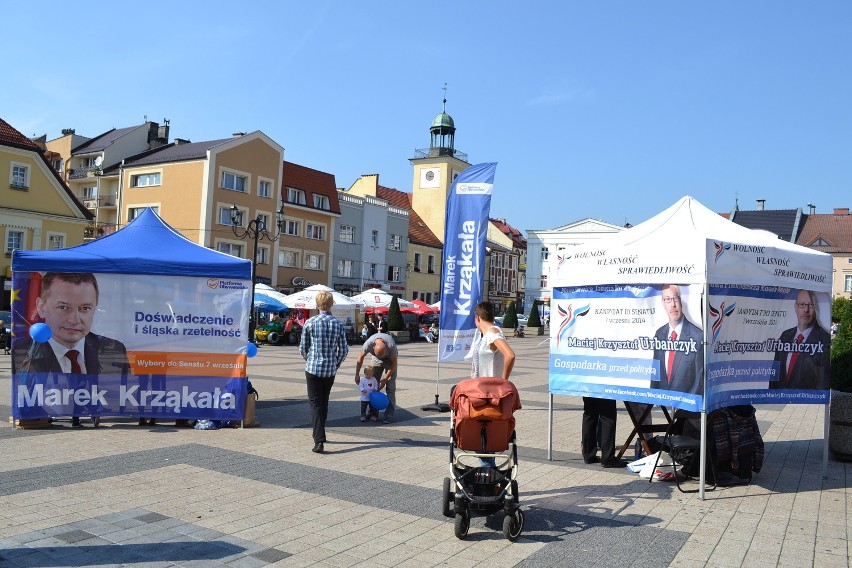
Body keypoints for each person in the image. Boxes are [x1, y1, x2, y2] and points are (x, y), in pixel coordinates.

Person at [13, 272, 129, 427]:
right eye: (63, 307)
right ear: (41, 307)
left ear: (95, 307)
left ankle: (91, 414)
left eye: (85, 308)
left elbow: (125, 391)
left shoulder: (114, 349)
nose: (74, 319)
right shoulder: (24, 351)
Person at [299, 291, 349, 453]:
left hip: (313, 369)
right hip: (329, 370)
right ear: (332, 303)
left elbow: (303, 348)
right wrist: (336, 363)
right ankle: (322, 433)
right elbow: (344, 350)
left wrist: (310, 359)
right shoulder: (338, 324)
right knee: (324, 401)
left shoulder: (310, 322)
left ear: (317, 304)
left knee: (315, 404)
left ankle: (319, 440)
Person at [771, 289, 831, 390]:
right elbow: (775, 376)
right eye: (802, 305)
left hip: (806, 404)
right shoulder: (785, 336)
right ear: (795, 308)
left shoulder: (824, 340)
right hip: (779, 403)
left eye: (811, 305)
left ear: (817, 308)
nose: (806, 310)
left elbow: (823, 384)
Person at [652, 284, 704, 395]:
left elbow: (699, 380)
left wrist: (687, 403)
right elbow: (655, 372)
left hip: (685, 407)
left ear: (680, 300)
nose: (672, 304)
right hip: (663, 403)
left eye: (675, 298)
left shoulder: (698, 336)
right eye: (668, 300)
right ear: (663, 303)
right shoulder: (659, 334)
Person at [355, 332, 398, 423]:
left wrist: (385, 379)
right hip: (376, 359)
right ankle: (373, 413)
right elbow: (360, 358)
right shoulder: (368, 344)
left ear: (386, 348)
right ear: (373, 347)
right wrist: (357, 374)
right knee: (373, 385)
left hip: (389, 361)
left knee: (390, 388)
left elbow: (394, 365)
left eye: (382, 355)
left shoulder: (391, 346)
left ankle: (388, 416)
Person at [469, 301, 515, 381]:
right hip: (481, 388)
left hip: (490, 389)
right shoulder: (487, 335)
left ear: (478, 318)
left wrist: (503, 381)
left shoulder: (492, 333)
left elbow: (510, 355)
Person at [581, 397, 624, 468]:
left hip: (589, 387)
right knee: (607, 416)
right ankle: (608, 458)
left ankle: (588, 455)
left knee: (589, 414)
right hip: (605, 389)